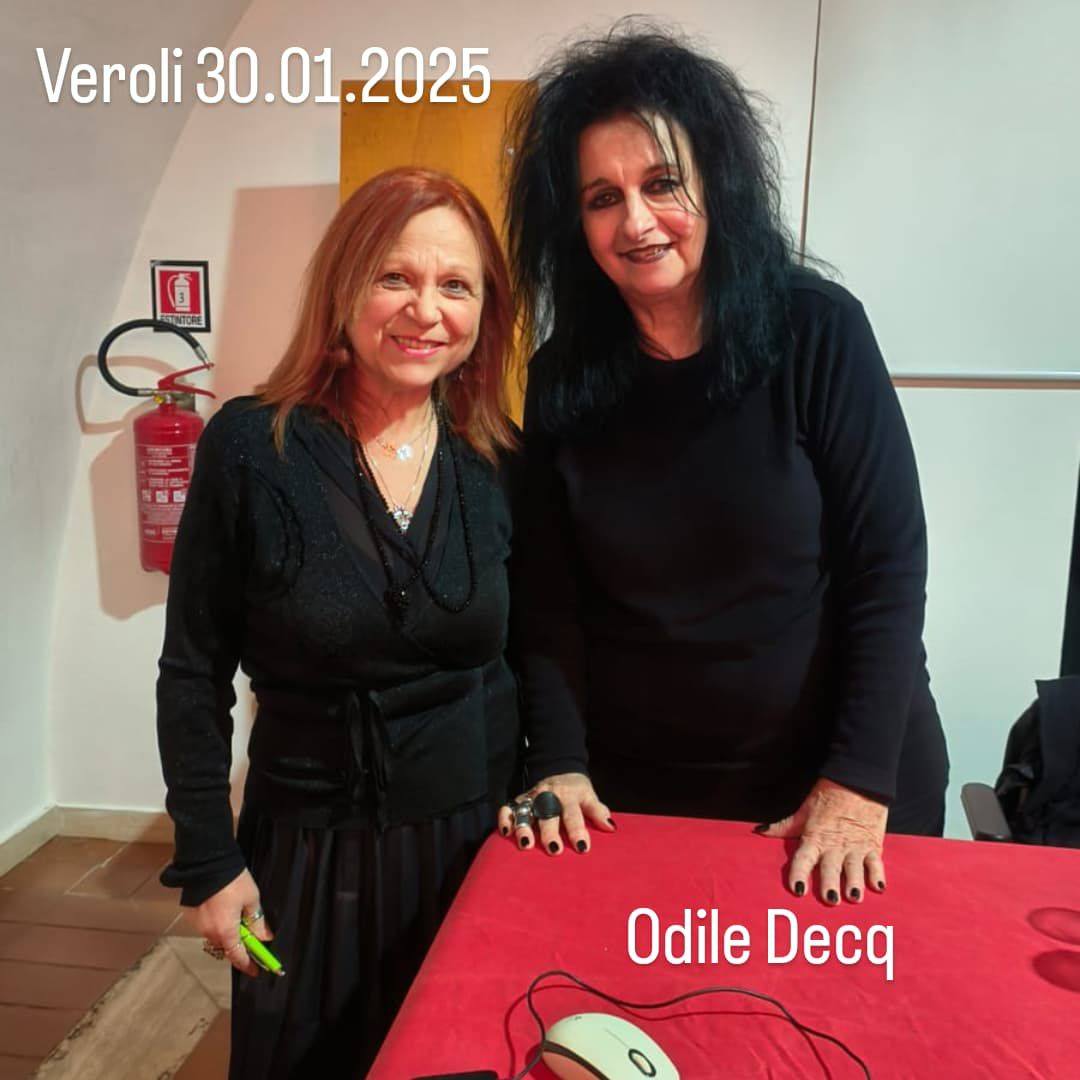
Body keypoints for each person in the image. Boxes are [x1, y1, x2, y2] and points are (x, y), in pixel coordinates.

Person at [499, 27, 949, 903]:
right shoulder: (562, 376)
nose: (636, 222)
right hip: (639, 789)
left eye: (662, 183)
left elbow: (888, 569)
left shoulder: (817, 330)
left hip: (832, 783)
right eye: (602, 197)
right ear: (573, 224)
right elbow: (548, 599)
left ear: (716, 183)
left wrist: (857, 781)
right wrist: (558, 760)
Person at [156, 166, 521, 1077]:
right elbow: (193, 670)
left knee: (449, 1061)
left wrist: (543, 785)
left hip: (467, 842)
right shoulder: (252, 446)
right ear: (344, 285)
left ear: (485, 313)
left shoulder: (494, 460)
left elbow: (525, 653)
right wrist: (208, 859)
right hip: (305, 853)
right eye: (395, 276)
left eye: (456, 285)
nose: (425, 310)